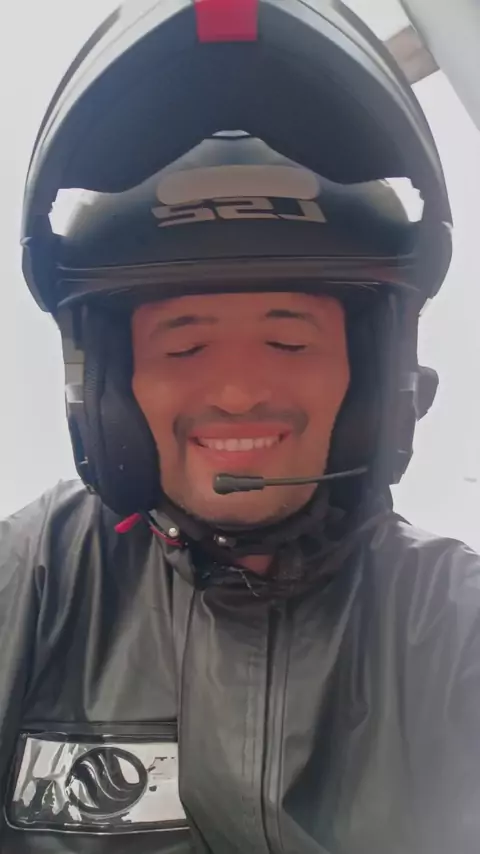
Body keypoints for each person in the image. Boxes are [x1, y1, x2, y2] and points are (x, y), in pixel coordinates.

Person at [1, 2, 480, 853]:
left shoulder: (450, 622)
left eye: (288, 341)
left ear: (373, 380)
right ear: (109, 389)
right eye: (183, 345)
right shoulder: (37, 583)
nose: (234, 391)